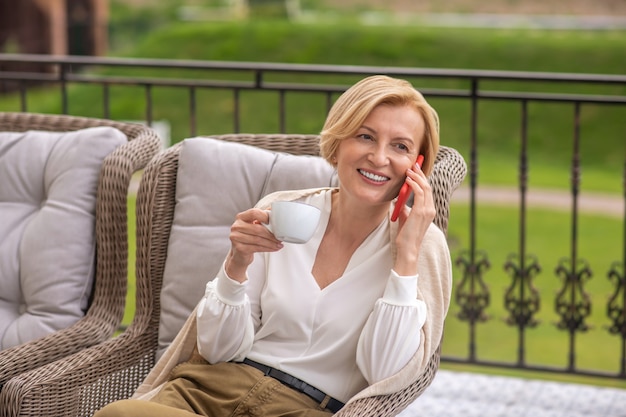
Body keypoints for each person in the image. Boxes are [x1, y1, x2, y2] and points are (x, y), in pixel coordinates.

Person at [95, 75, 452, 417]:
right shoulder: (281, 211)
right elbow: (219, 349)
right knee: (119, 413)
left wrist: (406, 257)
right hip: (212, 390)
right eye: (365, 136)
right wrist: (236, 265)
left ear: (418, 165)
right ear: (339, 142)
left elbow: (385, 372)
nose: (378, 157)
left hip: (309, 408)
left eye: (400, 146)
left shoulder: (422, 244)